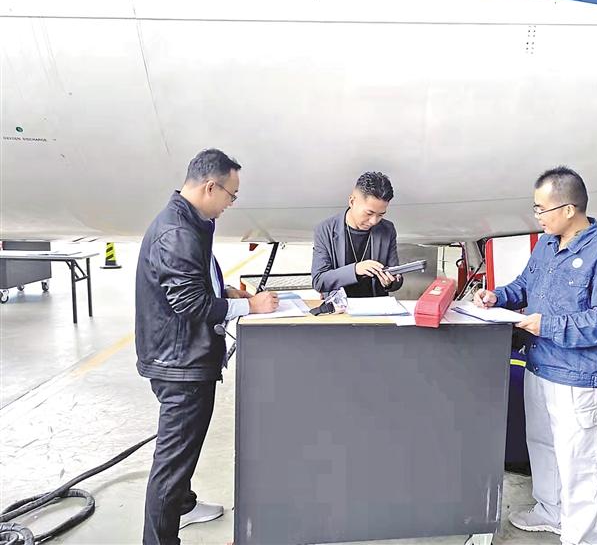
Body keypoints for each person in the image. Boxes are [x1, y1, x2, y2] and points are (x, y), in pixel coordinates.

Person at [473, 166, 597, 545]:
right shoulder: (546, 244)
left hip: (576, 377)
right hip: (538, 366)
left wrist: (548, 326)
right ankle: (551, 510)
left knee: (579, 463)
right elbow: (525, 285)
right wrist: (497, 296)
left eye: (541, 209)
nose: (538, 216)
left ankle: (583, 537)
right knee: (542, 445)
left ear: (569, 209)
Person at [135, 149, 279, 545]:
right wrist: (249, 306)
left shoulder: (190, 220)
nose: (232, 203)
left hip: (181, 354)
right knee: (171, 465)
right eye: (231, 195)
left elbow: (193, 283)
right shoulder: (178, 232)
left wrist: (223, 290)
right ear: (211, 187)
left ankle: (183, 505)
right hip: (179, 363)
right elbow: (189, 304)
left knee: (182, 454)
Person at [311, 171, 403, 297]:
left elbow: (397, 278)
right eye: (369, 213)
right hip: (340, 306)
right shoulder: (325, 229)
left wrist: (390, 282)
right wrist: (355, 270)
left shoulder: (387, 229)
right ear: (352, 201)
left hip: (376, 306)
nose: (374, 221)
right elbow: (319, 281)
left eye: (380, 215)